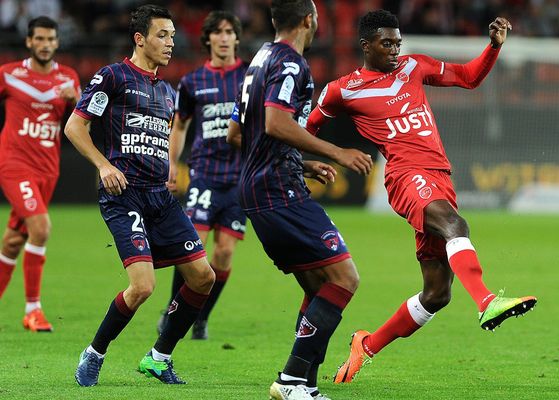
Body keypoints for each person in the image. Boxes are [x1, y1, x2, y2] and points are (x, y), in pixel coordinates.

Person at [306, 10, 538, 384]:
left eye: (398, 42)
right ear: (366, 45)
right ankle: (486, 300)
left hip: (439, 177)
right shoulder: (342, 90)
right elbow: (307, 127)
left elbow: (468, 77)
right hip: (405, 175)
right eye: (387, 43)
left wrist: (493, 48)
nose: (396, 49)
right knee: (455, 225)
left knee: (436, 294)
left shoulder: (415, 67)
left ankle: (366, 345)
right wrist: (311, 161)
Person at [226, 1, 373, 399]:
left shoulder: (259, 60)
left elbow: (237, 134)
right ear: (309, 20)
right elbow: (276, 123)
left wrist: (301, 163)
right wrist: (336, 152)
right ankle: (291, 379)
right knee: (345, 278)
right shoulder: (291, 64)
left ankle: (304, 382)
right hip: (278, 191)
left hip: (260, 187)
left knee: (318, 285)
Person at [64, 4, 215, 387]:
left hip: (160, 198)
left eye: (172, 36)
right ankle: (94, 352)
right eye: (162, 35)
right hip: (124, 195)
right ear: (140, 38)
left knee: (202, 277)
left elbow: (156, 138)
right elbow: (75, 128)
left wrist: (168, 168)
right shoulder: (112, 77)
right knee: (144, 286)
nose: (170, 43)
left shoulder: (165, 90)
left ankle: (159, 357)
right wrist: (103, 166)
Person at [157, 10, 248, 341]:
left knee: (223, 253)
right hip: (204, 175)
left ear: (236, 38)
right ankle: (172, 310)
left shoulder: (251, 77)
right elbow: (179, 125)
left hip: (240, 178)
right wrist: (171, 162)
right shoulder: (193, 81)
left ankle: (200, 317)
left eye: (229, 32)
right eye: (218, 32)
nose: (224, 37)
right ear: (208, 38)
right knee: (190, 248)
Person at [0, 16, 80, 332]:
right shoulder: (9, 74)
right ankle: (33, 309)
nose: (45, 45)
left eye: (51, 40)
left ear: (57, 43)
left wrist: (76, 102)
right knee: (42, 228)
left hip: (48, 169)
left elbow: (83, 122)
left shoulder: (69, 79)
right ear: (29, 42)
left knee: (12, 241)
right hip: (15, 164)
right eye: (40, 39)